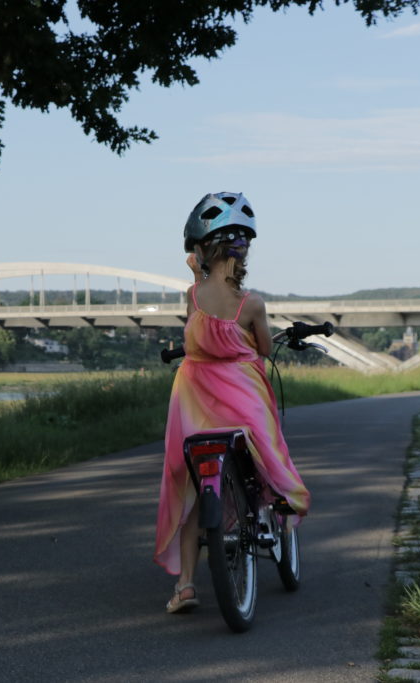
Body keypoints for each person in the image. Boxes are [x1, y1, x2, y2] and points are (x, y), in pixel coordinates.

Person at [154, 192, 310, 613]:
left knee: (188, 487)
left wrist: (197, 270)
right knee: (265, 450)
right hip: (242, 395)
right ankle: (270, 499)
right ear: (242, 253)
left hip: (192, 400)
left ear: (205, 250)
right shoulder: (251, 303)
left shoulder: (192, 296)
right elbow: (262, 348)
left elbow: (200, 298)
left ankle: (185, 585)